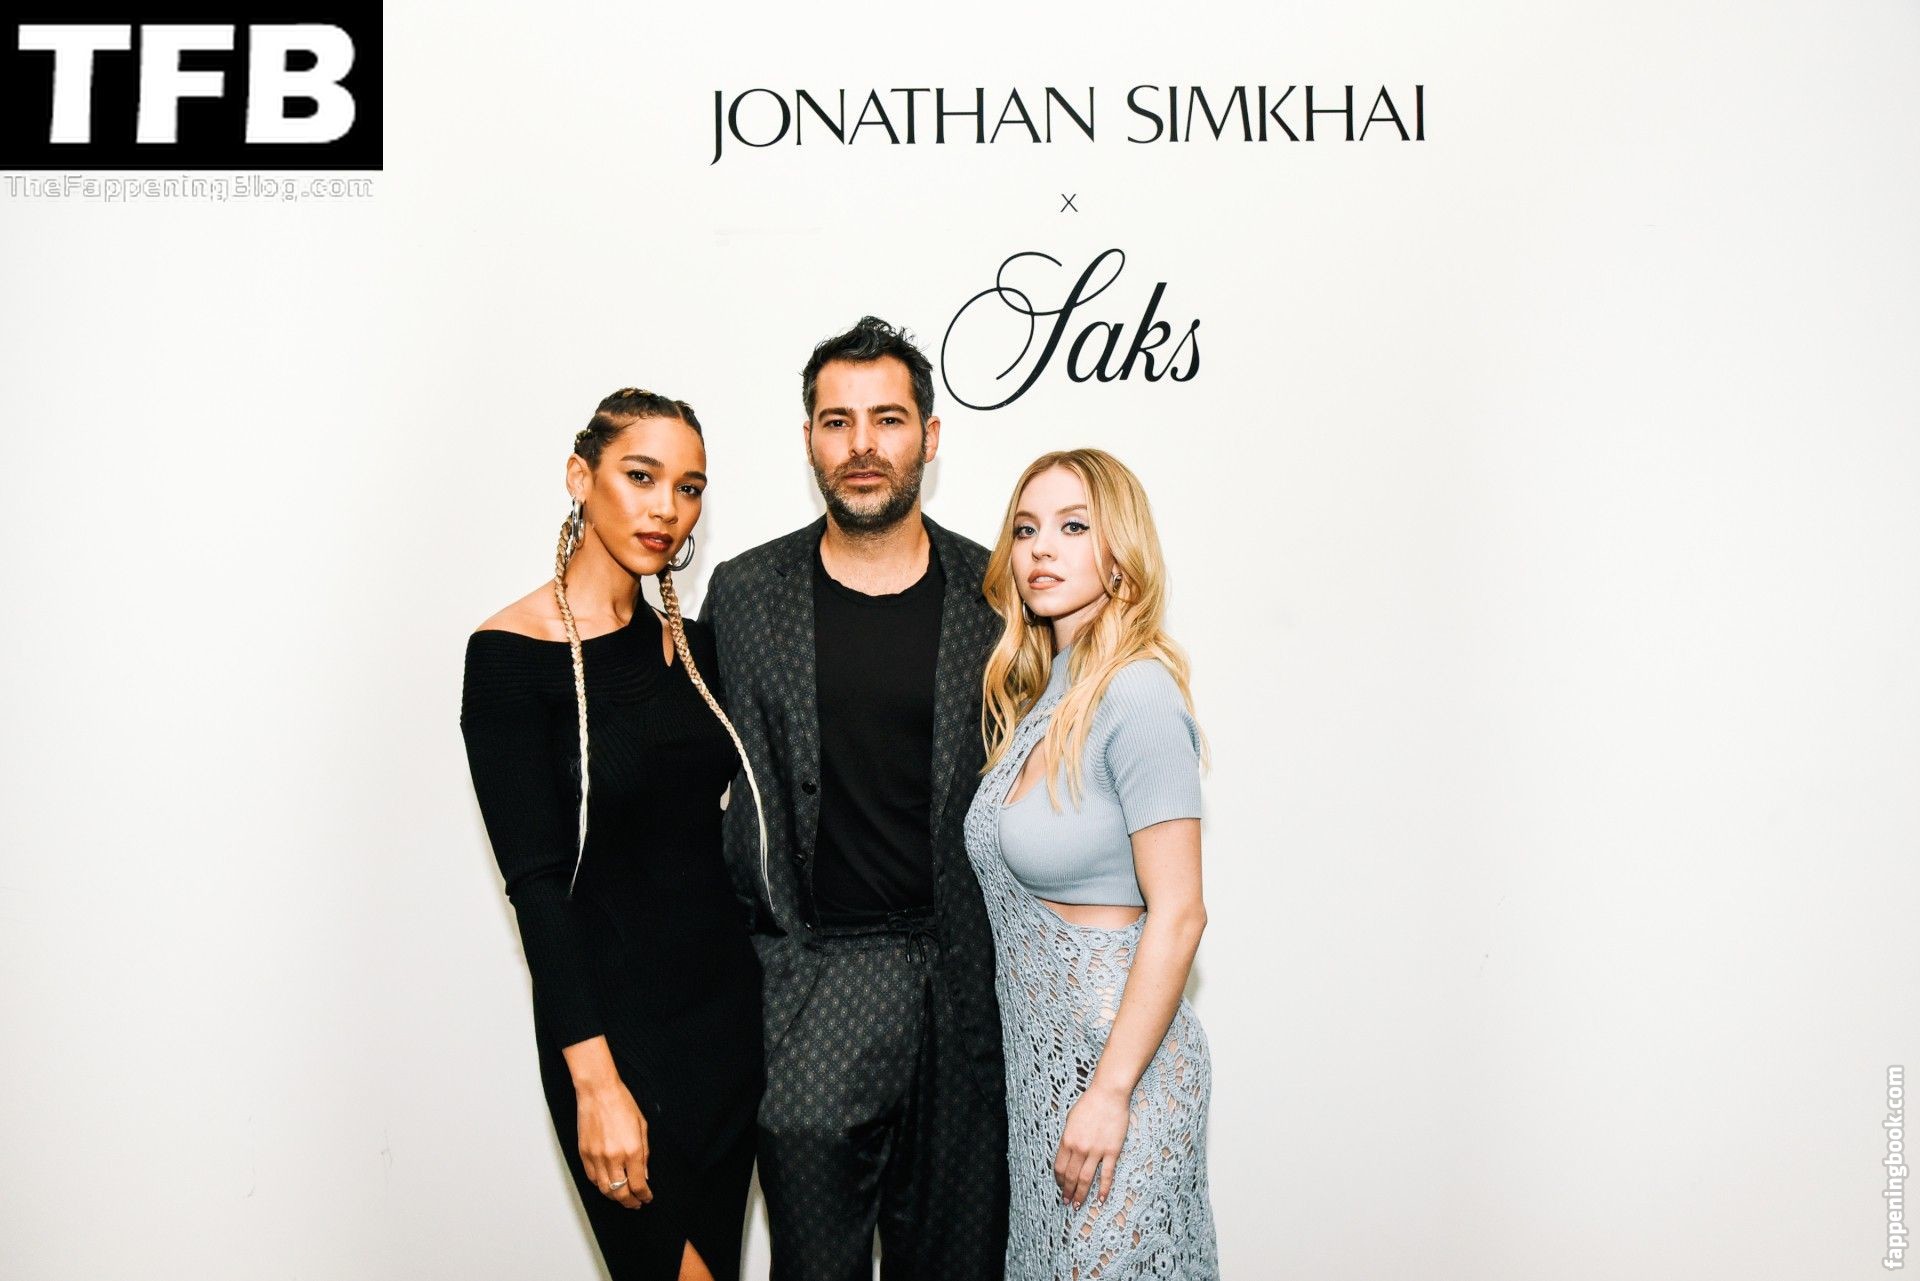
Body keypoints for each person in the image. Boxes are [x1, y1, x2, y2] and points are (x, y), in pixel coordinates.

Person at [701, 317, 1010, 1279]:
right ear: (809, 440)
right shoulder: (744, 596)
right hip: (811, 994)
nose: (863, 444)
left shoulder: (999, 596)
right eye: (838, 421)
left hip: (963, 995)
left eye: (888, 418)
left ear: (930, 433)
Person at [459, 388, 768, 1281]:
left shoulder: (698, 651)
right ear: (579, 477)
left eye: (689, 487)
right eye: (641, 476)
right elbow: (537, 889)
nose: (666, 507)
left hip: (726, 1029)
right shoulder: (509, 657)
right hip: (613, 1040)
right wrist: (595, 1084)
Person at [963, 449, 1219, 1280]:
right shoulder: (1046, 693)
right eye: (1026, 529)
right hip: (1046, 1078)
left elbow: (1180, 913)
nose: (1042, 547)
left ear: (1121, 555)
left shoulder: (1137, 692)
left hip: (1122, 1078)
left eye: (1074, 526)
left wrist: (1108, 1093)